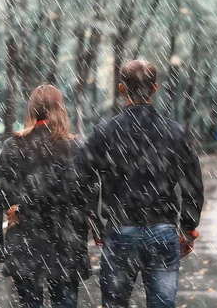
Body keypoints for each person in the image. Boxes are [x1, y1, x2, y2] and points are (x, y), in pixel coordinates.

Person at [76, 60, 204, 308]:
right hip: (163, 232)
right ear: (155, 88)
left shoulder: (104, 132)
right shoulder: (175, 132)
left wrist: (94, 221)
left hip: (120, 230)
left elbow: (81, 179)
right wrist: (187, 228)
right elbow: (193, 185)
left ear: (122, 89)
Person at [0, 84, 94, 308]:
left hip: (25, 240)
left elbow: (0, 196)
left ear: (32, 109)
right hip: (65, 242)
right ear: (60, 109)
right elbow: (85, 196)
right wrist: (89, 226)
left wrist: (0, 244)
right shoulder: (74, 147)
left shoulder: (12, 146)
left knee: (30, 303)